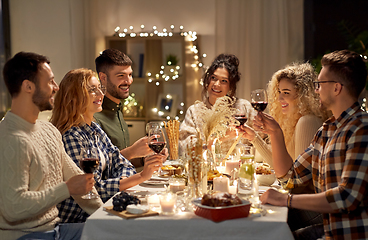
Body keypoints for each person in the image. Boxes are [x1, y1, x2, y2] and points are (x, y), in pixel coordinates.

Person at [251, 50, 368, 239]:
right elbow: (291, 178)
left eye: (320, 84)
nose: (316, 90)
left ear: (337, 88)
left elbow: (347, 198)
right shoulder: (327, 130)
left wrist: (286, 199)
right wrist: (275, 133)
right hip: (329, 230)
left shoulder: (361, 129)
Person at [0, 52, 102, 240]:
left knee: (119, 233)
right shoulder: (10, 139)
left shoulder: (48, 130)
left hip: (56, 230)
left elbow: (78, 179)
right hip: (26, 236)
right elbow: (12, 207)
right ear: (28, 86)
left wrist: (107, 216)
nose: (56, 88)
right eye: (50, 81)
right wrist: (67, 189)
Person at [51, 68, 167, 223]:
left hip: (100, 209)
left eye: (100, 88)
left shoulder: (94, 128)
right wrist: (141, 176)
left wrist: (123, 178)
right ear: (75, 96)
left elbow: (121, 162)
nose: (101, 94)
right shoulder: (72, 136)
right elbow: (92, 189)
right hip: (80, 219)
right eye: (92, 90)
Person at [241, 62, 331, 231]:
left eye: (286, 93)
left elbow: (295, 183)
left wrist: (274, 134)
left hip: (311, 210)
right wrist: (255, 138)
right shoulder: (292, 121)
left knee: (255, 217)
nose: (280, 98)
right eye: (279, 92)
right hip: (299, 201)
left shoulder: (307, 121)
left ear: (304, 96)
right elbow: (283, 170)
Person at [179, 54, 257, 155]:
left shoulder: (244, 108)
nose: (216, 84)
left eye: (224, 81)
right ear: (208, 80)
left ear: (230, 87)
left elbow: (261, 143)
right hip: (206, 170)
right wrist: (221, 137)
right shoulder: (194, 112)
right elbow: (188, 150)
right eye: (214, 78)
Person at [94, 49, 152, 169]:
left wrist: (145, 159)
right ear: (103, 78)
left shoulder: (118, 111)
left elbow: (121, 163)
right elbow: (99, 168)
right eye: (121, 76)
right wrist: (132, 151)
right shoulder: (94, 117)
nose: (129, 81)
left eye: (130, 75)